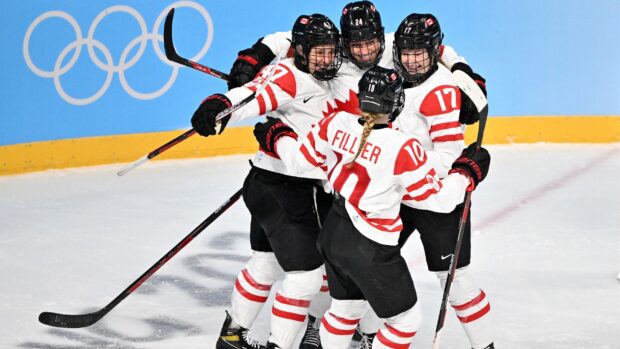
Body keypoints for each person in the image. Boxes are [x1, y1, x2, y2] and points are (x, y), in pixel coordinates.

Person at [252, 66, 491, 349]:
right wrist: (466, 172)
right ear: (397, 104)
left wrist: (278, 135)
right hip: (371, 247)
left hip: (333, 234)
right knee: (405, 322)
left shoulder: (335, 122)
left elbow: (297, 161)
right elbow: (438, 201)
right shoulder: (402, 147)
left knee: (344, 310)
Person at [190, 14, 342, 349]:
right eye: (318, 52)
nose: (326, 58)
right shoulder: (287, 75)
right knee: (307, 277)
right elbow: (251, 97)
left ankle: (232, 336)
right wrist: (220, 105)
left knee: (267, 264)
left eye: (331, 51)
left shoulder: (332, 71)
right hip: (282, 187)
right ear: (299, 51)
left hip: (286, 186)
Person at [385, 13, 494, 349]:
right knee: (372, 270)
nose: (413, 60)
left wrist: (397, 163)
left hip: (437, 197)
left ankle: (485, 345)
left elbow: (446, 158)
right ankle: (366, 335)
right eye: (407, 52)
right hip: (395, 197)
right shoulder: (390, 56)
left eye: (421, 52)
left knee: (456, 281)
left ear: (433, 52)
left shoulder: (443, 90)